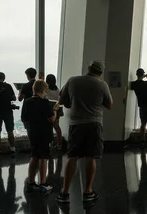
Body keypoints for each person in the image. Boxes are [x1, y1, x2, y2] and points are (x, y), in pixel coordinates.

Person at [56, 60, 113, 205]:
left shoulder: (72, 81)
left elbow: (62, 100)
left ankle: (64, 193)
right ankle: (88, 192)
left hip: (76, 124)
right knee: (91, 157)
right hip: (94, 124)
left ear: (88, 68)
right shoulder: (102, 85)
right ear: (100, 73)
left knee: (72, 157)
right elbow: (109, 105)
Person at [22, 80, 59, 194]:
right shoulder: (45, 102)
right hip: (44, 133)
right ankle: (43, 183)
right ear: (43, 90)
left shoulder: (27, 102)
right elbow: (52, 119)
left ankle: (31, 182)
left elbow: (24, 118)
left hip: (32, 132)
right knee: (43, 158)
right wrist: (55, 110)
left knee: (34, 156)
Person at [130, 68, 147, 147]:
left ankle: (142, 140)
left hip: (141, 104)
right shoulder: (146, 83)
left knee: (143, 123)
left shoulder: (133, 84)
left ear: (136, 74)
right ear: (143, 74)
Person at [45, 74, 63, 150]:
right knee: (57, 127)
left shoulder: (46, 90)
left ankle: (50, 144)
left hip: (48, 108)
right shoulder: (57, 90)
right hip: (57, 108)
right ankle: (59, 145)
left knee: (48, 128)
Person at [19, 67, 37, 132]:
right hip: (38, 109)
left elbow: (20, 99)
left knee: (29, 131)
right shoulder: (39, 85)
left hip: (27, 110)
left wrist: (20, 91)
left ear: (28, 75)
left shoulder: (25, 86)